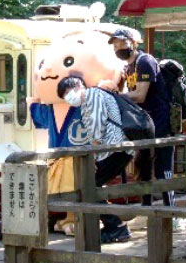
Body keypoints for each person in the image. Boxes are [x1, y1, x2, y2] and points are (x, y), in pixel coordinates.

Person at [57, 76, 132, 244]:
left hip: (115, 148)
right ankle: (114, 226)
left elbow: (97, 130)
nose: (68, 98)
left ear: (78, 86)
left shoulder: (93, 95)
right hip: (115, 149)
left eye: (68, 92)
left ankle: (117, 227)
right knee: (91, 186)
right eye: (65, 97)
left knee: (88, 185)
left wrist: (92, 158)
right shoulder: (90, 100)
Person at [107, 28, 174, 208]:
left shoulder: (145, 61)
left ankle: (172, 211)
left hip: (160, 121)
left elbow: (140, 95)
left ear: (134, 43)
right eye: (115, 44)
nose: (118, 47)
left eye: (122, 43)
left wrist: (116, 96)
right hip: (143, 123)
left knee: (163, 167)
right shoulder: (127, 67)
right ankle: (147, 208)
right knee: (143, 164)